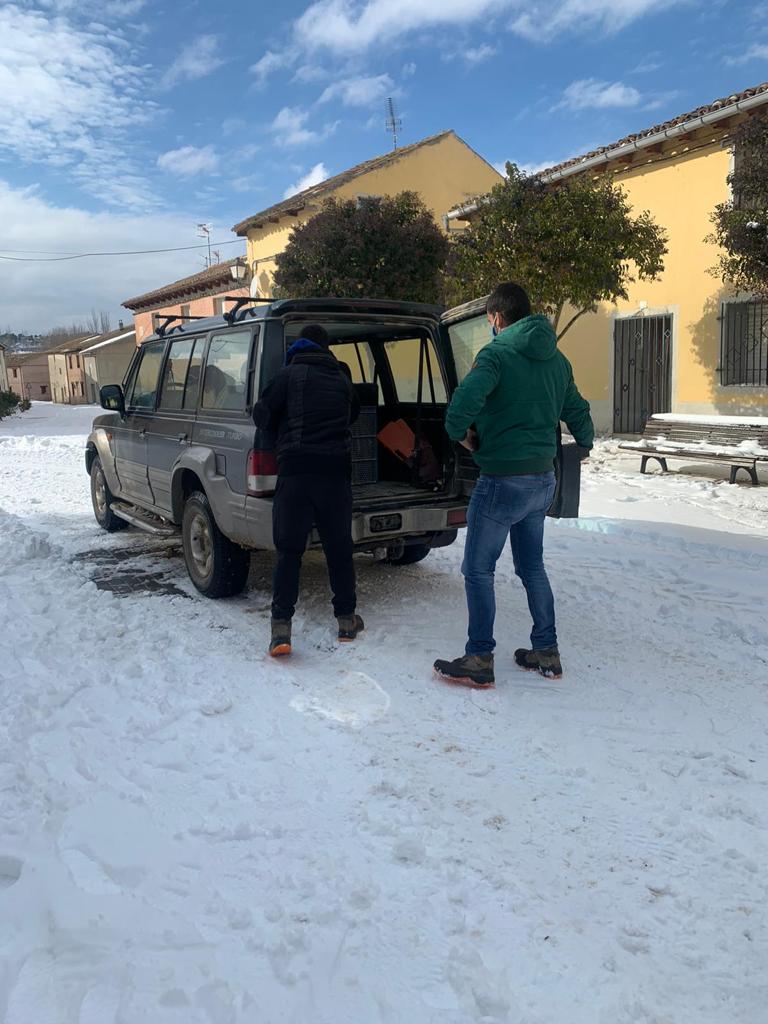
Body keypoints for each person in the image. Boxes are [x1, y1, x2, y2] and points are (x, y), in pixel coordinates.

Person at [434, 283, 594, 688]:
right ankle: (546, 650)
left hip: (502, 480)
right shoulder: (557, 359)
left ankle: (478, 656)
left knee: (477, 568)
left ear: (497, 318)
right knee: (532, 568)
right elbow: (576, 407)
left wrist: (461, 435)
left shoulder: (496, 355)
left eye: (489, 320)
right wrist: (586, 441)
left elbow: (462, 404)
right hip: (543, 480)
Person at [252, 324, 363, 656]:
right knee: (339, 550)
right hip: (335, 476)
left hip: (296, 475)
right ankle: (346, 621)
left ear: (298, 346)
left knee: (289, 553)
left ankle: (281, 632)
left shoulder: (288, 376)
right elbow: (353, 415)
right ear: (326, 349)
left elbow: (262, 415)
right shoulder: (342, 378)